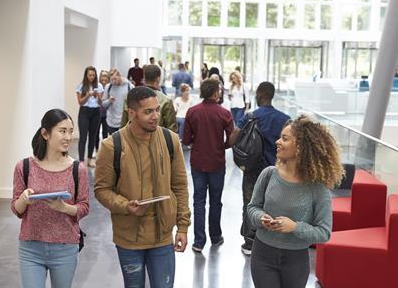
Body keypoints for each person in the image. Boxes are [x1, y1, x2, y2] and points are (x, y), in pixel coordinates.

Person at [94, 87, 191, 288]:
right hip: (129, 238)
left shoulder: (170, 140)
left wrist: (182, 227)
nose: (155, 116)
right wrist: (124, 205)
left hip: (162, 236)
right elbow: (102, 189)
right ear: (131, 113)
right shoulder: (112, 146)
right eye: (148, 112)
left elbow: (180, 186)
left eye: (157, 110)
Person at [247, 115, 344, 288]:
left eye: (284, 138)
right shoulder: (268, 174)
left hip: (296, 261)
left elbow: (324, 232)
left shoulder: (317, 188)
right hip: (262, 254)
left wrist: (294, 227)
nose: (277, 142)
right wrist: (261, 218)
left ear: (300, 146)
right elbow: (252, 208)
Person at [11, 109, 89, 288]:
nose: (68, 137)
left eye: (70, 131)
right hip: (30, 247)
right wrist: (23, 199)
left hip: (65, 247)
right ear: (45, 133)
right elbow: (16, 209)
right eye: (62, 131)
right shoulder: (24, 167)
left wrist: (64, 208)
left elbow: (84, 206)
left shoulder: (78, 169)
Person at [234, 81, 290, 255]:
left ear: (259, 94)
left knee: (251, 203)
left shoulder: (250, 116)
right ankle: (271, 240)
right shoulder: (284, 119)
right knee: (275, 204)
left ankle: (250, 242)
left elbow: (235, 137)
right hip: (277, 169)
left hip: (252, 169)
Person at [183, 79, 234, 252]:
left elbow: (187, 140)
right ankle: (215, 236)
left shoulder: (192, 112)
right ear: (214, 93)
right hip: (217, 163)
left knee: (198, 201)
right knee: (215, 201)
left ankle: (198, 241)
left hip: (197, 162)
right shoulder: (225, 113)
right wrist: (222, 146)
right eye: (219, 90)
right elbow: (232, 139)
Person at [75, 66, 103, 167]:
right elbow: (80, 102)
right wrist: (87, 95)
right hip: (84, 112)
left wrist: (98, 97)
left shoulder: (99, 86)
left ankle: (90, 158)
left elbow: (100, 103)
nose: (91, 77)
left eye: (93, 75)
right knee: (83, 137)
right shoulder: (81, 86)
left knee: (93, 136)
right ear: (86, 75)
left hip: (96, 112)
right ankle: (81, 160)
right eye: (89, 75)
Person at [102, 68, 134, 134]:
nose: (113, 81)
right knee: (113, 143)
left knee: (124, 143)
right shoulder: (108, 87)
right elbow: (103, 104)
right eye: (111, 80)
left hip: (125, 121)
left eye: (115, 79)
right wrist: (109, 101)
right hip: (111, 121)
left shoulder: (129, 86)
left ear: (119, 76)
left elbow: (135, 104)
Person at [95, 70, 110, 152]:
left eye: (105, 80)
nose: (104, 82)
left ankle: (105, 150)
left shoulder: (110, 89)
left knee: (105, 133)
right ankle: (96, 149)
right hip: (98, 113)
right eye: (102, 80)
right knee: (96, 132)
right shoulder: (97, 88)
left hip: (107, 114)